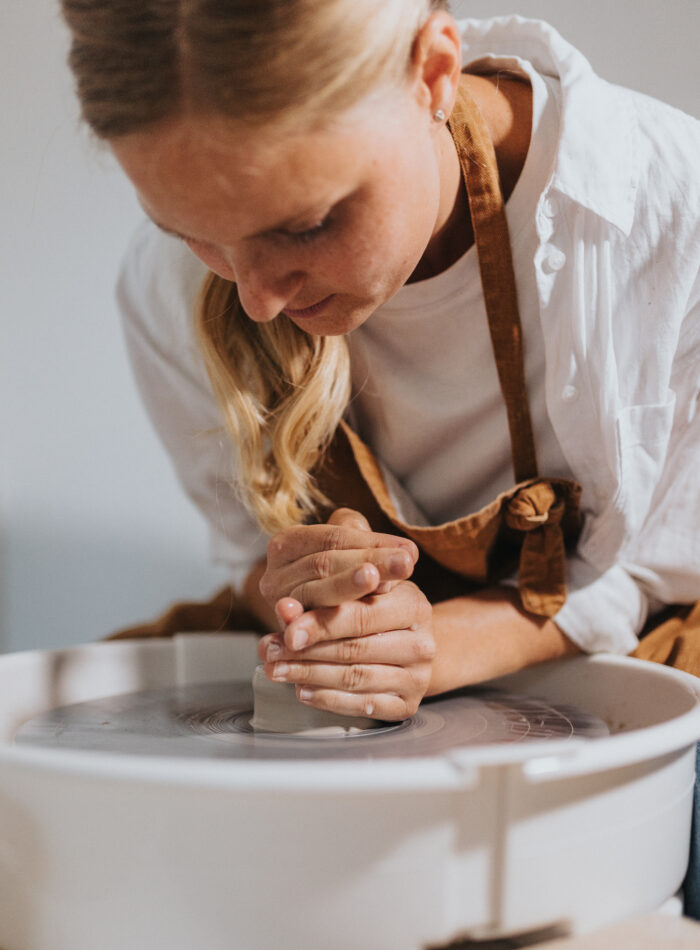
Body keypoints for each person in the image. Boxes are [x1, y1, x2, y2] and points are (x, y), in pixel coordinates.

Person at [60, 3, 700, 903]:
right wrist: (302, 597)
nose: (257, 299)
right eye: (191, 233)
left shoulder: (665, 221)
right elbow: (250, 561)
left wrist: (432, 645)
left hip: (633, 632)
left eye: (304, 224)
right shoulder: (165, 285)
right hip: (344, 668)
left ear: (434, 71)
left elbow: (646, 575)